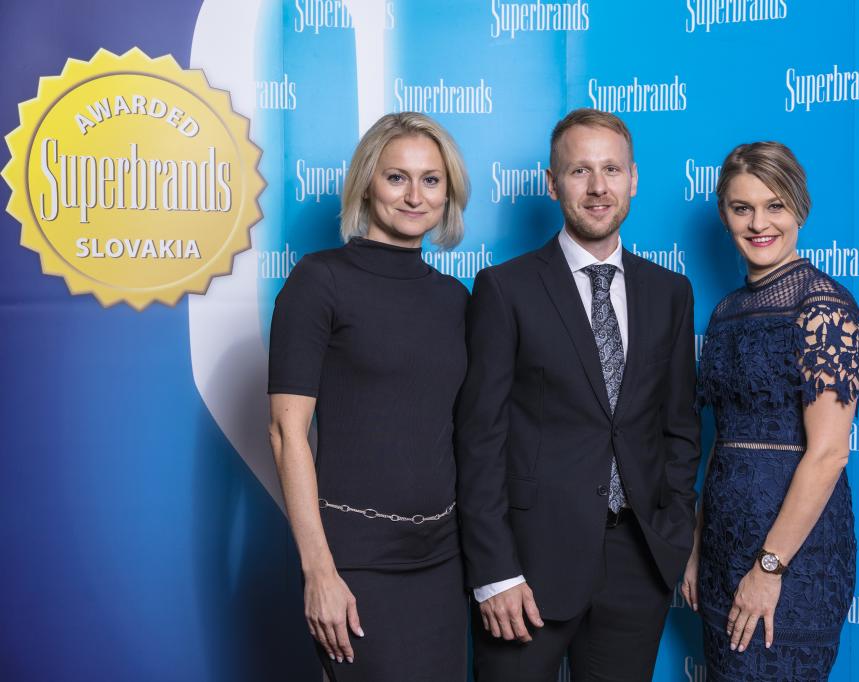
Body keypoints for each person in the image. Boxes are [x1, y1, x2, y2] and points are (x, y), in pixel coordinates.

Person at [456, 108, 701, 681]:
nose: (597, 187)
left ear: (633, 179)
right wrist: (494, 571)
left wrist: (673, 531)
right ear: (552, 182)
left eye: (611, 169)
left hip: (636, 564)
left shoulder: (670, 292)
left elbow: (680, 428)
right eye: (579, 171)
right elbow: (479, 440)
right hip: (526, 569)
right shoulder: (505, 289)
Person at [266, 112, 471, 680]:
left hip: (443, 557)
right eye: (396, 177)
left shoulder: (455, 298)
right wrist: (319, 571)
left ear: (448, 192)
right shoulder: (319, 280)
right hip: (355, 559)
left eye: (431, 180)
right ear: (366, 184)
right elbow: (285, 433)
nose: (415, 196)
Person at [680, 142, 859, 680]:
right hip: (723, 547)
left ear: (799, 210)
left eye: (775, 206)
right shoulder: (726, 312)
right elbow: (721, 440)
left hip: (795, 559)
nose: (759, 223)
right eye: (742, 208)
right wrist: (697, 546)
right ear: (725, 216)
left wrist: (769, 567)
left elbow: (829, 454)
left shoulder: (823, 307)